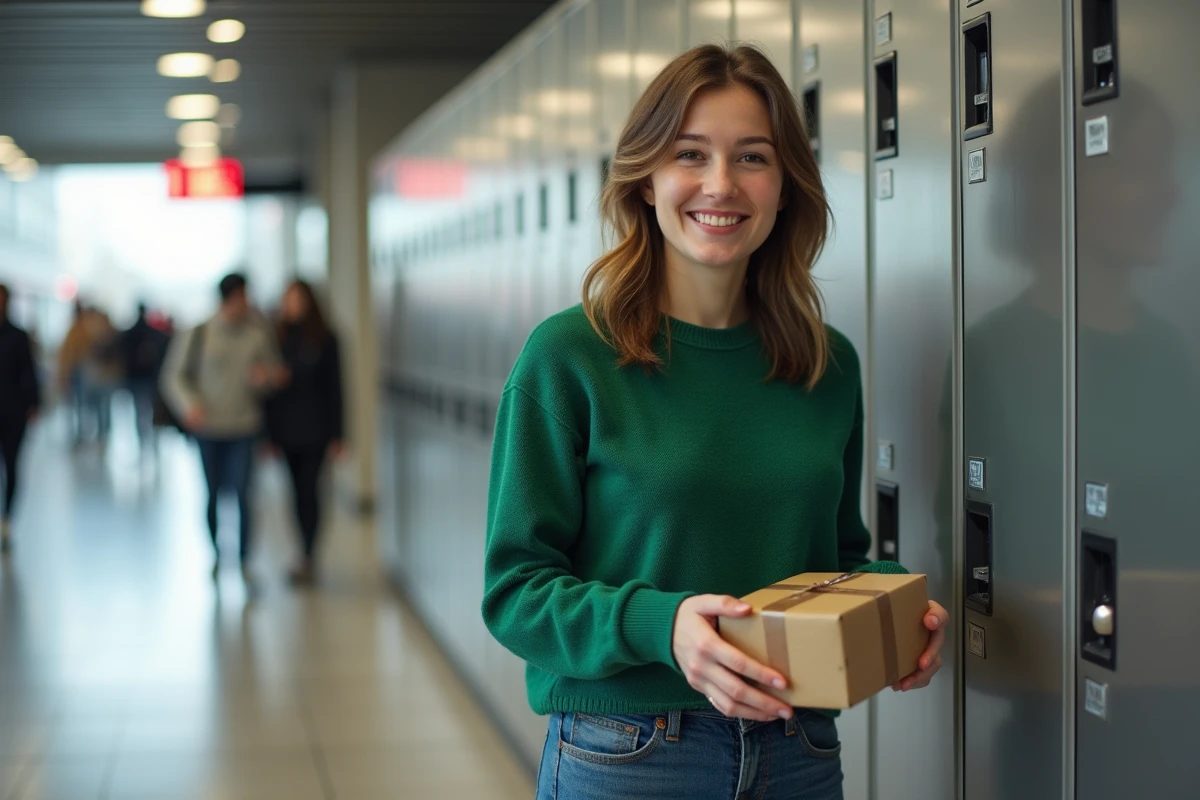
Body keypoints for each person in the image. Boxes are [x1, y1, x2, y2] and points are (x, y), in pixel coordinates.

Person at [481, 44, 949, 800]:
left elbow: (833, 562)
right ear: (647, 180)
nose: (721, 184)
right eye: (690, 154)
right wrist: (663, 627)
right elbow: (515, 592)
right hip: (631, 755)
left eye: (752, 157)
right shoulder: (569, 356)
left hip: (798, 750)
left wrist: (897, 611)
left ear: (785, 187)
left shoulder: (825, 363)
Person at [160, 273, 283, 582]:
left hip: (244, 426)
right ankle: (216, 552)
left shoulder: (257, 335)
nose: (246, 303)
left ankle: (243, 559)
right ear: (228, 299)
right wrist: (190, 405)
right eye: (241, 297)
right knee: (213, 494)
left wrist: (265, 378)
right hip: (209, 428)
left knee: (243, 494)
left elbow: (274, 374)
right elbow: (173, 376)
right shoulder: (200, 333)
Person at [264, 280, 344, 586]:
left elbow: (336, 389)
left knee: (311, 491)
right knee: (295, 493)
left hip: (316, 430)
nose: (292, 305)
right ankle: (302, 550)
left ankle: (310, 554)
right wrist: (268, 436)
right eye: (289, 299)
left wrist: (339, 435)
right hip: (286, 431)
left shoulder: (325, 338)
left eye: (298, 299)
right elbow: (268, 396)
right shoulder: (276, 338)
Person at [0, 284, 40, 553]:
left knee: (12, 466)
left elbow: (29, 371)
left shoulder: (18, 335)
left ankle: (7, 519)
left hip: (13, 411)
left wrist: (34, 403)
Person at [117, 302, 169, 452]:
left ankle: (143, 438)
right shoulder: (153, 334)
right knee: (150, 410)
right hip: (148, 378)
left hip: (136, 378)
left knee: (139, 410)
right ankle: (151, 438)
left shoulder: (130, 333)